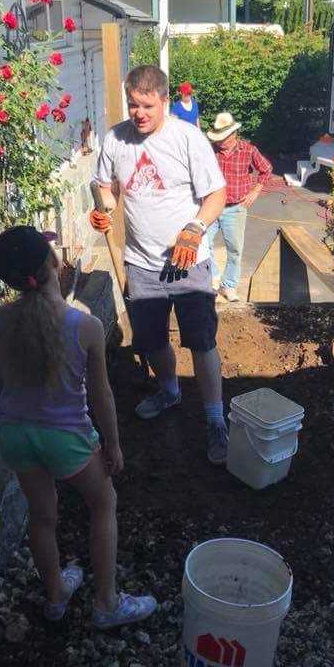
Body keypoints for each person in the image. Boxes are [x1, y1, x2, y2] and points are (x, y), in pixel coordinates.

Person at [0, 225, 156, 629]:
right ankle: (107, 602)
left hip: (15, 434)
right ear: (51, 263)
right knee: (103, 504)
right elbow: (102, 396)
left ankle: (57, 593)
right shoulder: (85, 326)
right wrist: (111, 444)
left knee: (42, 516)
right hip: (66, 439)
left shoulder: (0, 320)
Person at [89, 65, 229, 465]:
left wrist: (195, 227)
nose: (139, 113)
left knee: (201, 341)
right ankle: (169, 390)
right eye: (133, 105)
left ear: (165, 101)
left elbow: (216, 194)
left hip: (188, 261)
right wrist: (105, 210)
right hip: (141, 263)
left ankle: (215, 419)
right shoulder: (116, 139)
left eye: (147, 106)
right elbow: (106, 186)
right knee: (150, 340)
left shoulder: (187, 138)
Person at [207, 112, 273, 302]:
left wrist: (255, 191)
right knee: (203, 245)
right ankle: (212, 280)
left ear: (233, 134)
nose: (219, 142)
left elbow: (266, 169)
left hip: (235, 208)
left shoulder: (248, 151)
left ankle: (229, 285)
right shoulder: (209, 150)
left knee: (235, 249)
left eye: (222, 138)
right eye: (217, 138)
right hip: (211, 205)